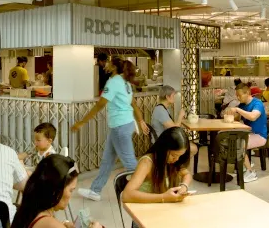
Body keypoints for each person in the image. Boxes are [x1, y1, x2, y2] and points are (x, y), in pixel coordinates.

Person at [71, 58, 149, 201]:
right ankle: (95, 190)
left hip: (120, 127)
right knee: (107, 161)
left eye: (108, 62)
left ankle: (148, 190)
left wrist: (81, 122)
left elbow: (100, 105)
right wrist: (140, 120)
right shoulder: (125, 82)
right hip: (124, 125)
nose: (105, 64)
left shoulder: (113, 82)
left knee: (130, 162)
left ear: (113, 67)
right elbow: (133, 104)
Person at [11, 155, 102, 228]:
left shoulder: (30, 209)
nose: (71, 196)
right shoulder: (50, 224)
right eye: (71, 190)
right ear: (56, 191)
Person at [122, 127, 192, 203]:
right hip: (145, 210)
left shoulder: (172, 162)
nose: (177, 159)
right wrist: (164, 197)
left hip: (162, 208)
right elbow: (127, 195)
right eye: (173, 155)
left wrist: (184, 186)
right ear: (163, 149)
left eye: (180, 156)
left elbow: (186, 174)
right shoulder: (147, 162)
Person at [228, 83, 267, 183]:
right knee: (232, 140)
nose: (237, 97)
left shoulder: (257, 103)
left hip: (259, 136)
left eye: (239, 95)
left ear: (248, 93)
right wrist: (231, 114)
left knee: (239, 144)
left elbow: (253, 116)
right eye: (236, 95)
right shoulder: (242, 105)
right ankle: (243, 167)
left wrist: (237, 109)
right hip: (248, 134)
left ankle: (250, 172)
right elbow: (238, 118)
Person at [151, 85, 198, 157]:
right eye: (173, 95)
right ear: (167, 97)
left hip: (165, 139)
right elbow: (174, 129)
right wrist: (180, 116)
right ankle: (177, 165)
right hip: (161, 143)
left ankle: (176, 165)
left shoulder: (164, 109)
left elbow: (172, 127)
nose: (174, 97)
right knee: (194, 148)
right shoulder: (160, 110)